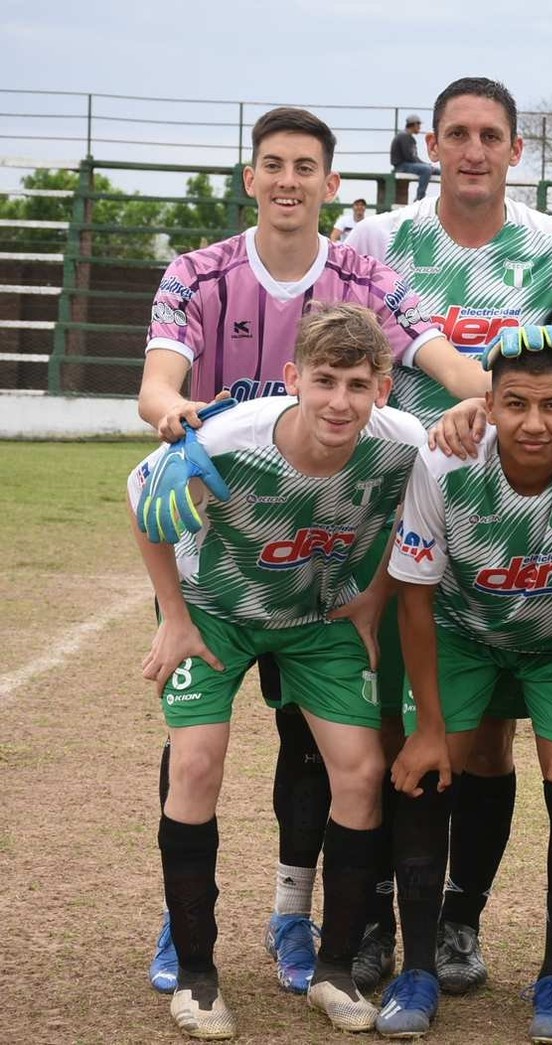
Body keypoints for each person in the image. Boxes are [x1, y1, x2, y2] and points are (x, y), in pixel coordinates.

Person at [137, 105, 478, 999]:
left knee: (320, 748)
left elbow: (447, 364)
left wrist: (500, 405)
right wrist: (178, 422)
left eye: (306, 168)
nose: (288, 181)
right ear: (250, 177)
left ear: (333, 187)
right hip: (226, 534)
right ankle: (186, 927)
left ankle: (297, 915)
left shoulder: (368, 276)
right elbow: (157, 384)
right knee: (197, 745)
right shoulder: (198, 273)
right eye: (272, 165)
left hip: (321, 565)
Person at [349, 75, 552, 999]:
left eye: (490, 135)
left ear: (515, 150)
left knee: (485, 743)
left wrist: (499, 418)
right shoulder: (379, 239)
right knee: (382, 725)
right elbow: (360, 354)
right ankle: (371, 913)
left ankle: (458, 918)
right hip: (387, 508)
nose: (472, 150)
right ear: (433, 143)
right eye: (456, 133)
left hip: (505, 514)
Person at [131, 303, 428, 1039]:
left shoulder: (403, 445)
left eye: (358, 384)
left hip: (315, 617)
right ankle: (197, 975)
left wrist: (374, 596)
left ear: (383, 388)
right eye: (324, 380)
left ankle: (334, 970)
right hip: (214, 610)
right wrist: (173, 613)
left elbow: (415, 520)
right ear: (293, 377)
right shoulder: (231, 438)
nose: (339, 400)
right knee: (196, 764)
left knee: (360, 772)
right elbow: (144, 501)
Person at [381, 325, 552, 1039]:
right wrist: (430, 728)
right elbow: (413, 593)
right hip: (463, 633)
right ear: (489, 406)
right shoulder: (445, 464)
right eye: (517, 404)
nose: (535, 422)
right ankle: (417, 968)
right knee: (424, 775)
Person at [391, 114, 438, 201]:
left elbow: (413, 158)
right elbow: (409, 157)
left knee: (437, 170)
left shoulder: (408, 137)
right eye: (418, 125)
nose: (419, 127)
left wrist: (426, 164)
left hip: (408, 164)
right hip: (401, 166)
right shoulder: (404, 136)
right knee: (426, 169)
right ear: (414, 124)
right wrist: (426, 165)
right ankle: (419, 198)